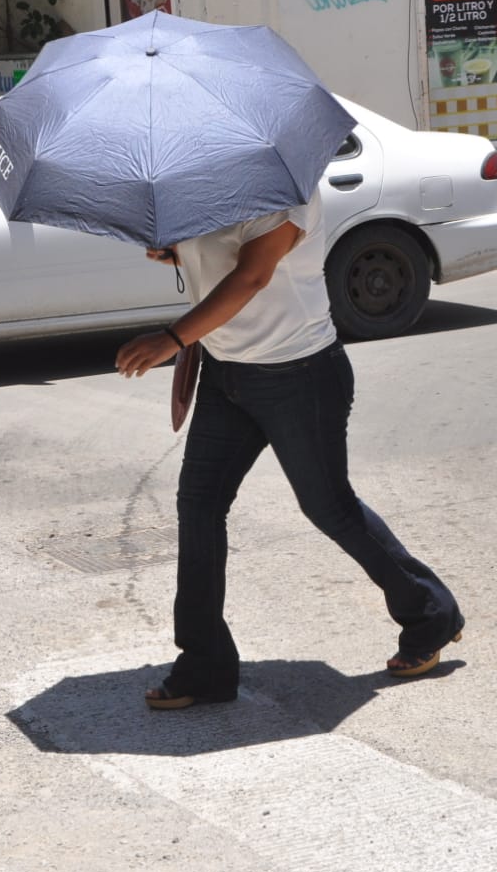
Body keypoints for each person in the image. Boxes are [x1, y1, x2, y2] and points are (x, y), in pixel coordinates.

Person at [115, 190, 464, 709]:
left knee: (328, 507)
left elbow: (253, 275)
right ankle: (205, 664)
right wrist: (180, 251)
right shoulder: (205, 184)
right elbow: (223, 257)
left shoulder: (285, 188)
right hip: (226, 373)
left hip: (299, 374)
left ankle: (430, 613)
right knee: (199, 506)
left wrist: (173, 338)